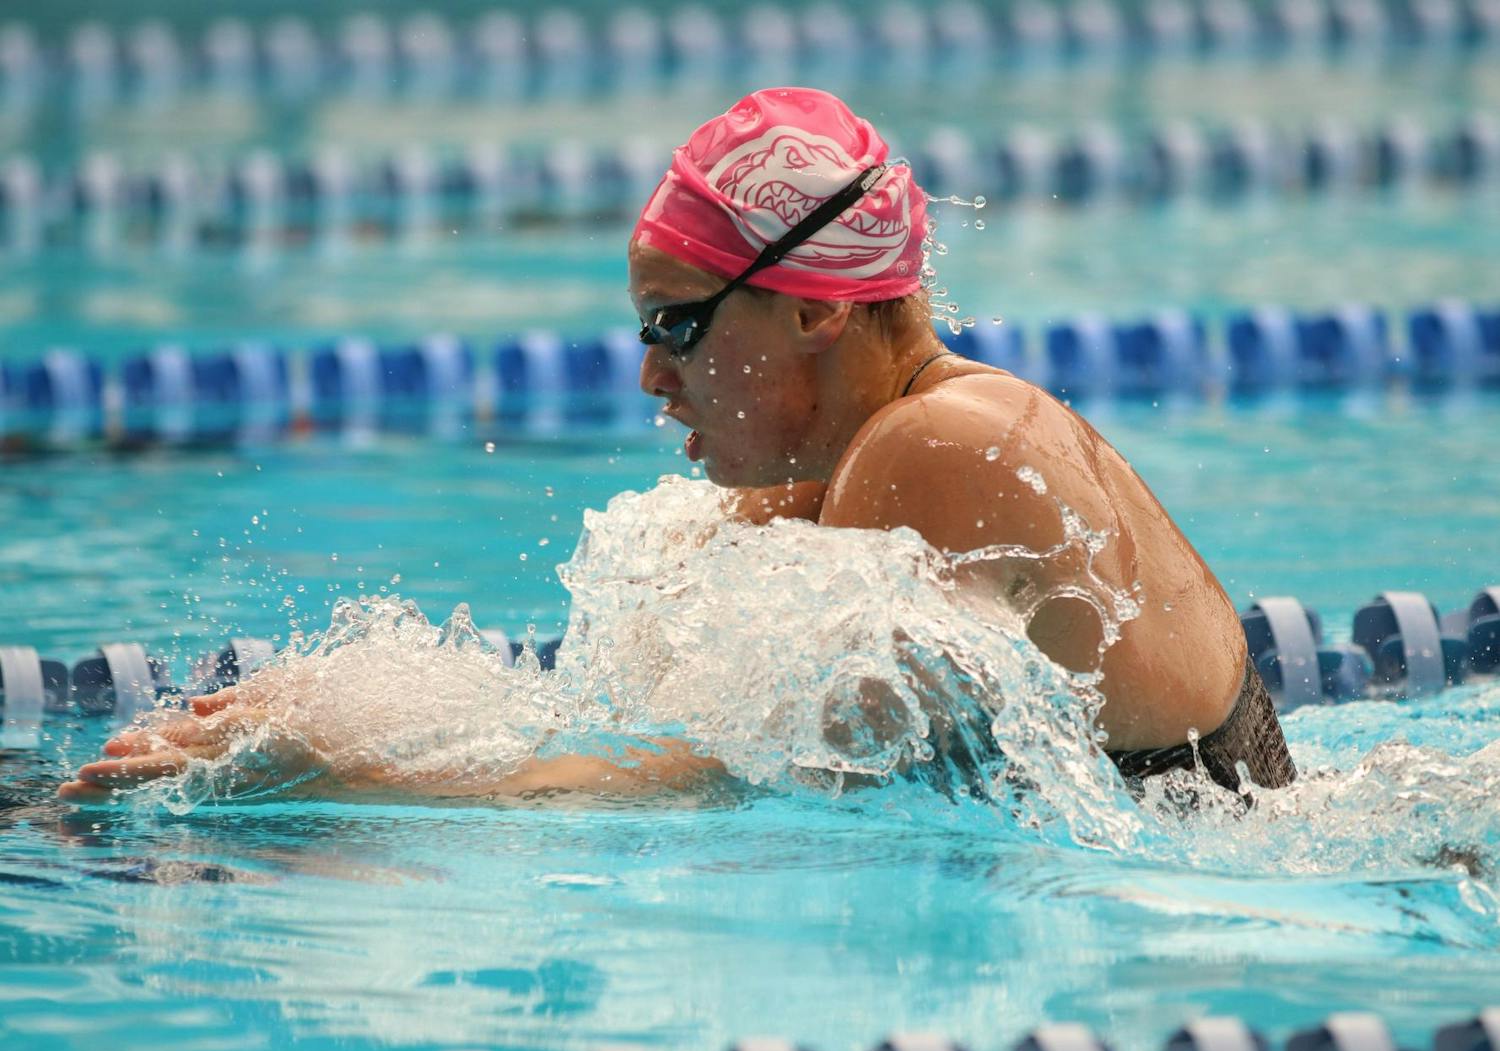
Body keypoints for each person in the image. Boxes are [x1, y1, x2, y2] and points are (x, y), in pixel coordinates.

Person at [58, 87, 1294, 807]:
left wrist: (355, 779)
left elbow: (752, 789)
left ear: (814, 307)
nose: (653, 375)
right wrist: (348, 707)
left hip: (1221, 899)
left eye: (677, 325)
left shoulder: (937, 448)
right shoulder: (900, 450)